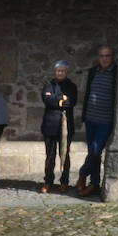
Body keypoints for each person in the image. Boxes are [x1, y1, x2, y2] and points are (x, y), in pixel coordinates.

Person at [77, 45, 118, 197]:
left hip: (105, 120)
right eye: (102, 56)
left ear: (112, 57)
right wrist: (84, 115)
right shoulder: (94, 71)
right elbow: (88, 93)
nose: (104, 58)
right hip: (90, 119)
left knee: (95, 149)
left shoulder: (117, 73)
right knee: (92, 153)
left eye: (107, 55)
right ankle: (94, 184)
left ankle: (82, 175)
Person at [41, 60, 78, 193]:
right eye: (58, 70)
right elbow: (47, 100)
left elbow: (71, 102)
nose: (60, 73)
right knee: (50, 156)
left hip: (66, 126)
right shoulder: (48, 85)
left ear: (66, 72)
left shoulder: (71, 86)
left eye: (62, 71)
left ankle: (64, 181)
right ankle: (48, 181)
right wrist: (61, 99)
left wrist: (56, 99)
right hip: (50, 125)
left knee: (64, 154)